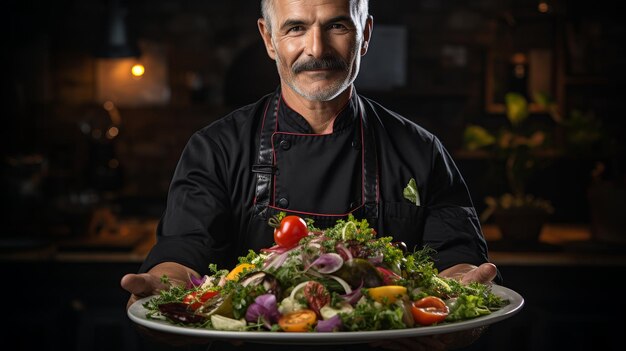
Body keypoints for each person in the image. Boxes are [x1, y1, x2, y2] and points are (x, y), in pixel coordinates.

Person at [121, 0, 499, 350]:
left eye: (336, 25)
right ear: (269, 39)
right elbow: (185, 254)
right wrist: (161, 288)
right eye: (296, 28)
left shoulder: (421, 151)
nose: (317, 49)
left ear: (364, 35)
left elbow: (457, 263)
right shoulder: (215, 149)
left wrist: (466, 296)